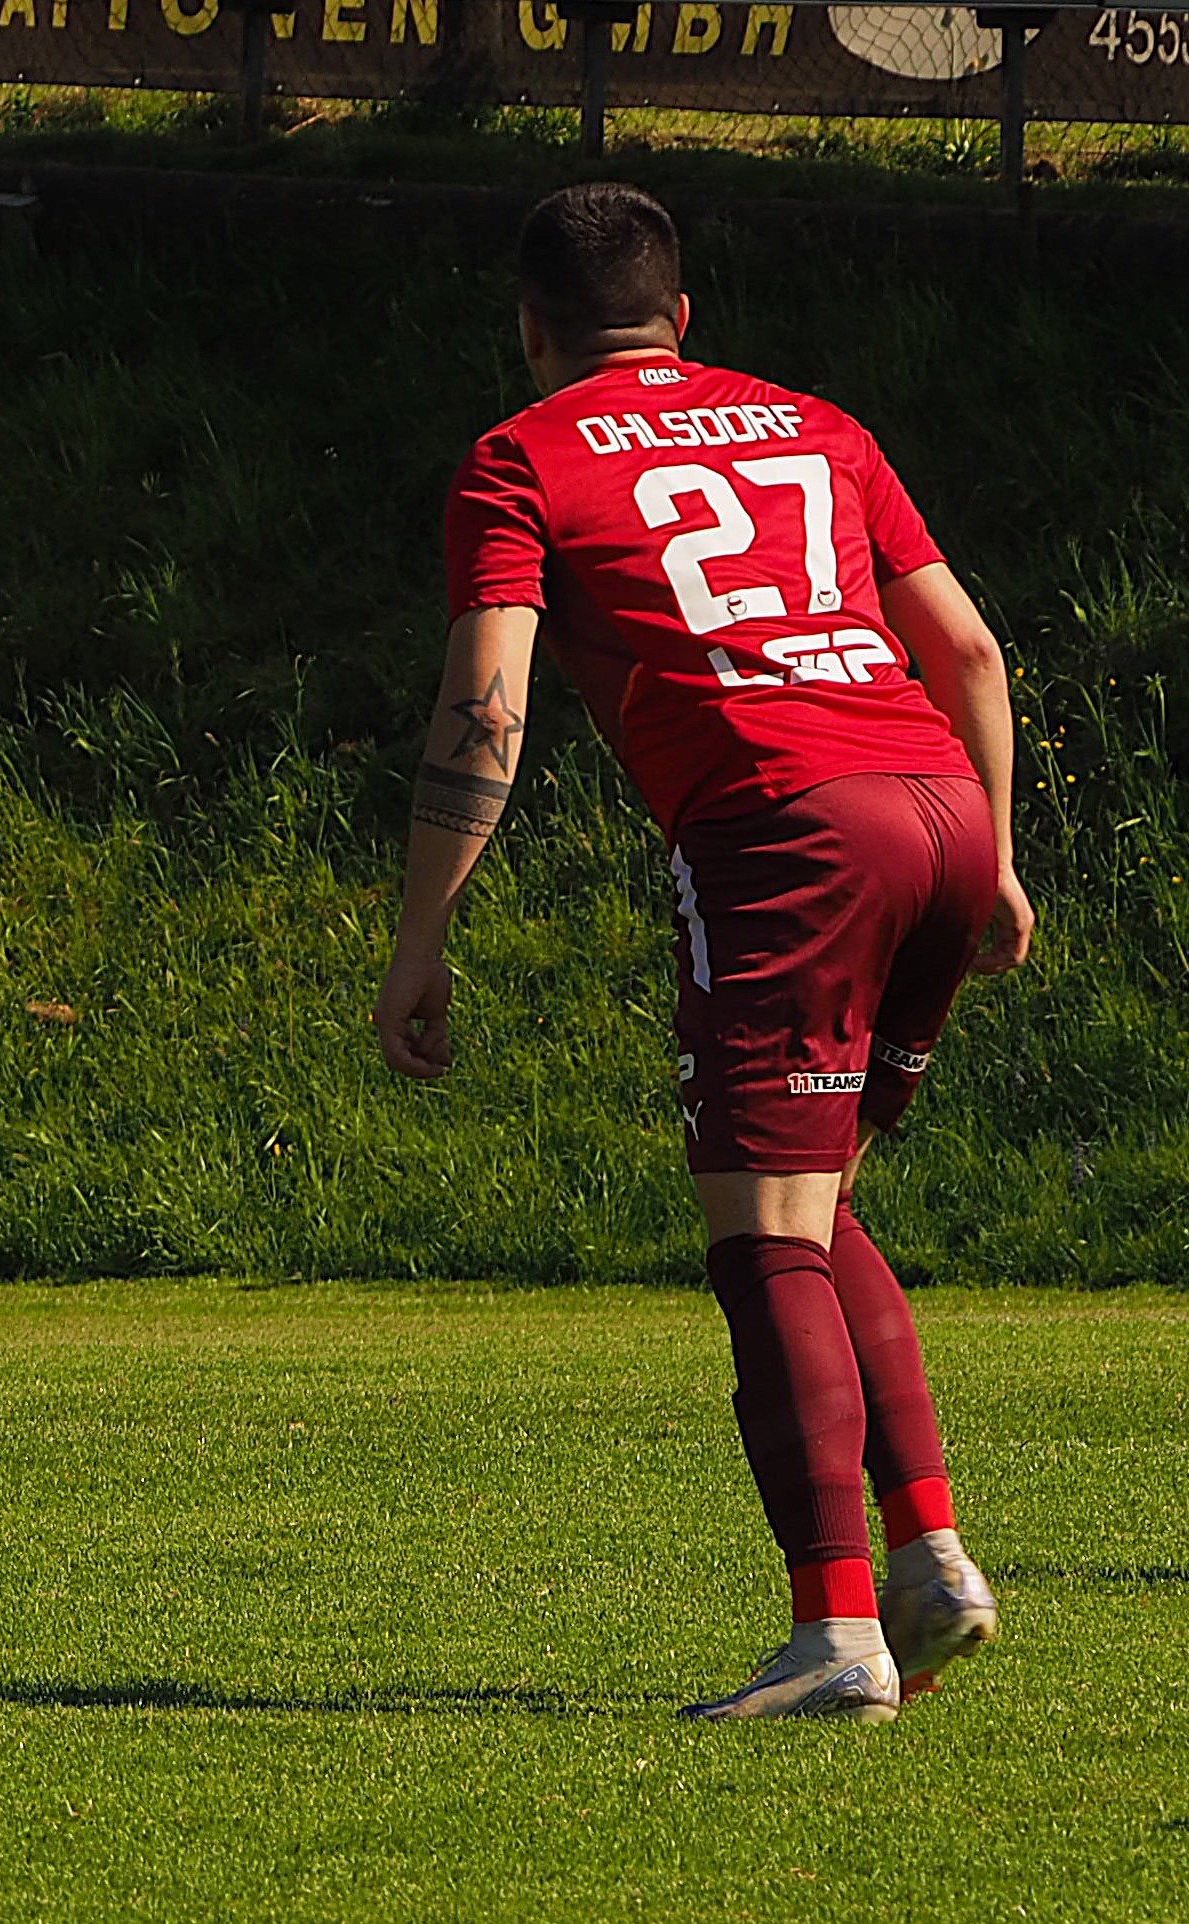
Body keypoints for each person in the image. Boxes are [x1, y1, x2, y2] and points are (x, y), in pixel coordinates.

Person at [375, 184, 1031, 1722]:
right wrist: (997, 857)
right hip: (936, 802)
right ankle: (927, 1563)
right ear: (679, 317)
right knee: (815, 1203)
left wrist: (422, 932)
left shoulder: (519, 458)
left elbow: (485, 709)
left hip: (787, 832)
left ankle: (834, 1634)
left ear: (530, 332)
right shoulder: (820, 425)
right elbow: (966, 648)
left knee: (761, 1240)